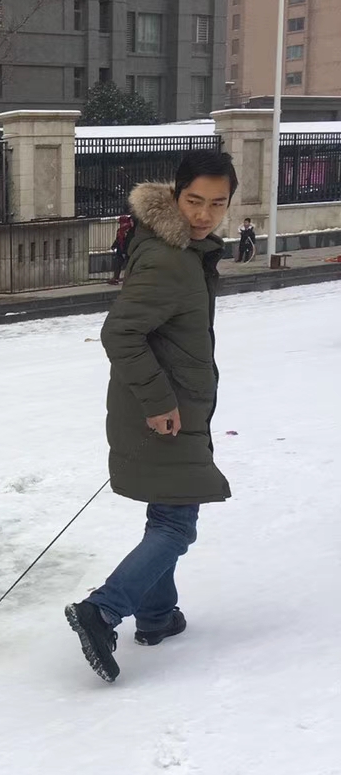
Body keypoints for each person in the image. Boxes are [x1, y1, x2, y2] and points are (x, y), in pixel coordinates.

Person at [65, 148, 237, 683]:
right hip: (165, 412)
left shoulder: (180, 247)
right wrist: (162, 402)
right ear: (176, 194)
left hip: (162, 407)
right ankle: (104, 609)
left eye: (217, 203)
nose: (204, 214)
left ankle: (158, 615)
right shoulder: (171, 258)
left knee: (165, 514)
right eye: (194, 201)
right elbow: (120, 333)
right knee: (176, 525)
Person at [110, 213, 135, 284]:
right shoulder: (121, 231)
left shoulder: (129, 232)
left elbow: (127, 242)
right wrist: (114, 246)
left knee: (128, 265)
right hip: (121, 250)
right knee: (118, 264)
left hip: (126, 251)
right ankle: (116, 278)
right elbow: (118, 240)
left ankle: (129, 278)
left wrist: (124, 251)